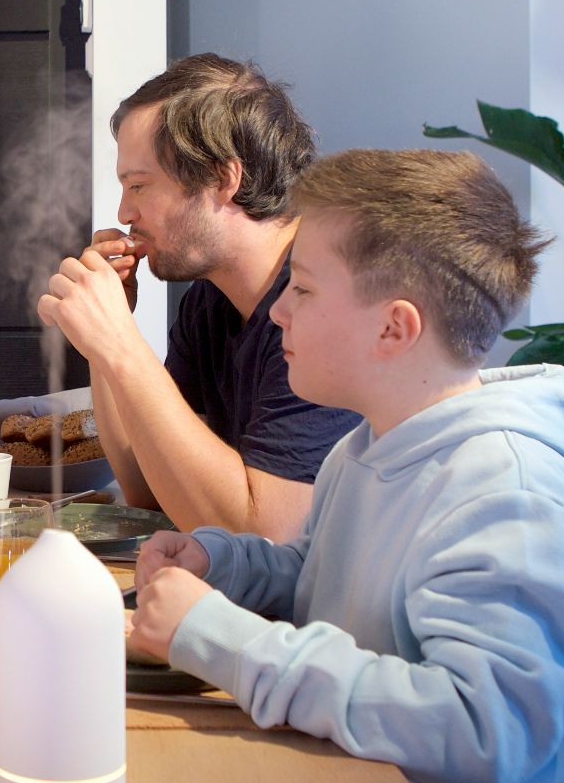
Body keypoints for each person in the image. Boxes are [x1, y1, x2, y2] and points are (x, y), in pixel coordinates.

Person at [130, 148, 564, 783]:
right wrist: (225, 565)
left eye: (303, 289)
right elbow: (324, 577)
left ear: (394, 329)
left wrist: (222, 638)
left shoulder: (514, 496)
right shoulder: (372, 443)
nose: (277, 311)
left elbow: (481, 737)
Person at [38, 54, 358, 542]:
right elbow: (149, 489)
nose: (124, 213)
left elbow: (265, 537)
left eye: (139, 186)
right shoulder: (210, 304)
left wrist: (121, 345)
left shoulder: (325, 303)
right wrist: (101, 344)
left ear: (223, 179)